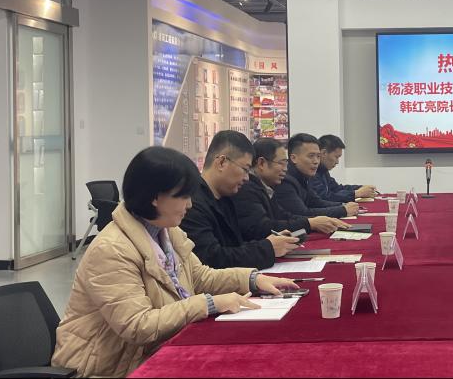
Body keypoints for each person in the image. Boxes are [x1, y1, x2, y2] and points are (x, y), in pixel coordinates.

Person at [52, 147, 299, 377]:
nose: (190, 204)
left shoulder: (167, 231)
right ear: (155, 197)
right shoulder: (112, 249)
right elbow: (138, 325)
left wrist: (252, 279)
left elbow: (200, 277)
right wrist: (209, 304)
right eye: (184, 196)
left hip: (155, 350)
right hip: (108, 368)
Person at [180, 130, 300, 269]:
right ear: (222, 162)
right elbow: (212, 259)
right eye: (245, 169)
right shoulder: (192, 204)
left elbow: (235, 246)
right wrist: (267, 248)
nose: (247, 178)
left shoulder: (225, 197)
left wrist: (270, 243)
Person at [233, 137, 350, 240]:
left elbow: (283, 215)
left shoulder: (266, 186)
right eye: (281, 163)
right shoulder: (247, 188)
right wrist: (311, 223)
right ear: (261, 163)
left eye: (318, 156)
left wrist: (314, 221)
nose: (285, 168)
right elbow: (262, 228)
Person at [273, 133, 359, 219]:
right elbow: (303, 213)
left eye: (318, 156)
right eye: (311, 156)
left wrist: (343, 205)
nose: (316, 161)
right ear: (293, 158)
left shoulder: (304, 175)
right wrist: (342, 210)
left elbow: (316, 202)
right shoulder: (285, 181)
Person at [309, 134, 377, 203]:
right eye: (336, 157)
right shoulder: (311, 172)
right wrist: (356, 193)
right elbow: (324, 197)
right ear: (324, 153)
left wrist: (361, 187)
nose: (337, 162)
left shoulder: (323, 170)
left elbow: (337, 189)